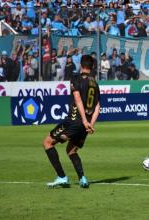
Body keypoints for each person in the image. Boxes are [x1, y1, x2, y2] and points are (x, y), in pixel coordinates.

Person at [43, 55, 101, 188]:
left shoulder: (75, 78)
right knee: (71, 150)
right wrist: (91, 124)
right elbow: (98, 106)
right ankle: (83, 179)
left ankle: (62, 177)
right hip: (84, 126)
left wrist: (85, 121)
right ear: (92, 67)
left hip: (75, 121)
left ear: (81, 64)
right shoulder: (95, 83)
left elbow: (78, 99)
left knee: (47, 143)